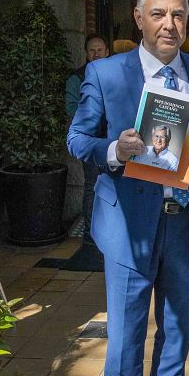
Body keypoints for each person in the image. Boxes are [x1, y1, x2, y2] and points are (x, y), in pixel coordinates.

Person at [67, 0, 189, 376]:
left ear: (187, 18)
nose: (168, 24)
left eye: (177, 13)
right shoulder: (107, 75)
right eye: (158, 13)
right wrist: (115, 149)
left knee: (176, 331)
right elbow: (77, 139)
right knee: (128, 336)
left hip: (183, 227)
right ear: (138, 17)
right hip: (129, 228)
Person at [65, 33, 109, 243]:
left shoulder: (115, 75)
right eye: (92, 50)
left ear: (107, 52)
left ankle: (111, 231)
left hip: (116, 141)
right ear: (86, 53)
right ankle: (91, 233)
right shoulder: (77, 78)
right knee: (91, 186)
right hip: (91, 142)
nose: (96, 54)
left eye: (100, 50)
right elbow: (71, 108)